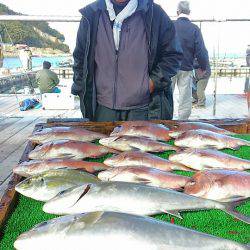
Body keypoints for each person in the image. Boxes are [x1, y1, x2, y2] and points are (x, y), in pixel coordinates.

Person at [72, 0, 183, 122]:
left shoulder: (155, 13)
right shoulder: (91, 14)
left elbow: (173, 55)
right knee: (102, 141)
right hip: (102, 107)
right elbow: (80, 57)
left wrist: (153, 83)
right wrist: (81, 87)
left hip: (143, 109)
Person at [172, 1, 208, 119]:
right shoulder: (194, 29)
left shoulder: (170, 25)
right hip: (186, 67)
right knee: (185, 99)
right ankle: (182, 124)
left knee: (166, 96)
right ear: (189, 12)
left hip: (169, 67)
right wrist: (203, 67)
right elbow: (201, 50)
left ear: (177, 12)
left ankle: (166, 122)